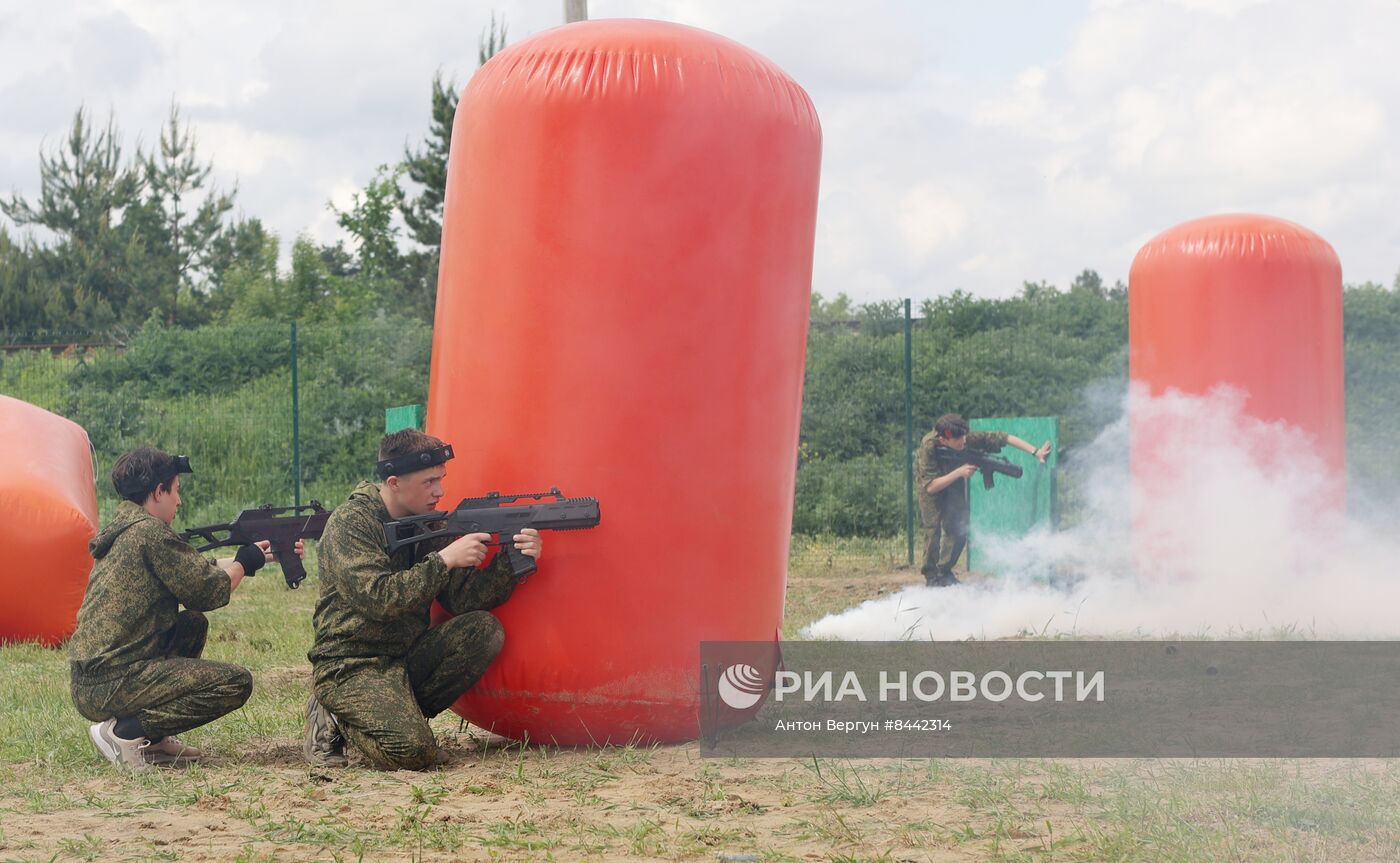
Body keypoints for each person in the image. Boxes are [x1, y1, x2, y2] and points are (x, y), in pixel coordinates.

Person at [304, 429, 542, 770]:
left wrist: (512, 558)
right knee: (414, 755)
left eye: (441, 480)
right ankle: (336, 713)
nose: (439, 491)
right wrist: (444, 560)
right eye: (429, 482)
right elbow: (378, 598)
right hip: (351, 663)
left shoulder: (425, 525)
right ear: (394, 482)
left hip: (403, 657)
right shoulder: (351, 523)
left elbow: (463, 600)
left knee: (482, 630)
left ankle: (397, 715)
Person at [70, 447, 298, 769]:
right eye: (176, 491)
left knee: (191, 624)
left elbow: (193, 571)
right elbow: (205, 590)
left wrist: (263, 556)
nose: (179, 501)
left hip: (97, 678)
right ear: (158, 491)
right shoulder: (149, 533)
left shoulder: (129, 530)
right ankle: (124, 732)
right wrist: (244, 563)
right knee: (234, 683)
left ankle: (154, 741)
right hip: (111, 681)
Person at [915, 413, 1051, 587]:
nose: (964, 441)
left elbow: (1004, 438)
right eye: (959, 439)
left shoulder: (964, 437)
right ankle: (932, 577)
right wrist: (959, 472)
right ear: (944, 440)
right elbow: (930, 487)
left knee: (960, 527)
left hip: (955, 482)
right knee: (932, 530)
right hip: (932, 484)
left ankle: (944, 571)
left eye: (964, 436)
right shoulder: (929, 446)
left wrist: (1036, 452)